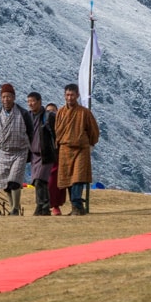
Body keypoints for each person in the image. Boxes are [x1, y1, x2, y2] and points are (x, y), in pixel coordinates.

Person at [54, 83, 100, 215]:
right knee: (68, 179)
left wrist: (90, 144)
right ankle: (75, 206)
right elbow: (57, 131)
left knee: (78, 178)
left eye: (72, 95)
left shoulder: (84, 113)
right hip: (65, 149)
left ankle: (77, 205)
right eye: (67, 95)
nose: (70, 98)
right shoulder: (60, 113)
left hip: (81, 149)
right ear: (64, 96)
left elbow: (94, 131)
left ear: (77, 95)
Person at [0, 83, 32, 216]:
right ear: (0, 98)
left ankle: (15, 208)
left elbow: (30, 132)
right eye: (3, 97)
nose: (6, 99)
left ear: (13, 98)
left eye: (8, 96)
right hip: (4, 151)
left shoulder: (23, 114)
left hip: (20, 151)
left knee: (15, 180)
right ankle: (13, 206)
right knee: (5, 184)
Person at [25, 91, 59, 216]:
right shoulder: (27, 116)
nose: (31, 104)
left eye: (33, 101)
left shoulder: (48, 116)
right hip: (34, 155)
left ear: (40, 102)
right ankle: (42, 207)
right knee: (36, 181)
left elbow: (57, 133)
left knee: (40, 180)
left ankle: (43, 206)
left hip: (46, 153)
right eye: (28, 101)